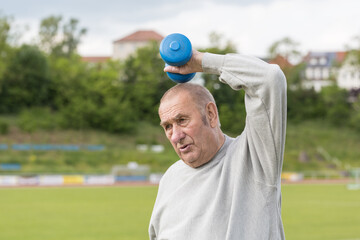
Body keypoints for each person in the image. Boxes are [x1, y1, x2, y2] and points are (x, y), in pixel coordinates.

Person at [149, 49, 287, 240]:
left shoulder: (254, 159)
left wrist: (201, 62)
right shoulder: (170, 178)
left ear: (211, 114)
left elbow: (269, 78)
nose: (175, 136)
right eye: (168, 127)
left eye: (182, 120)